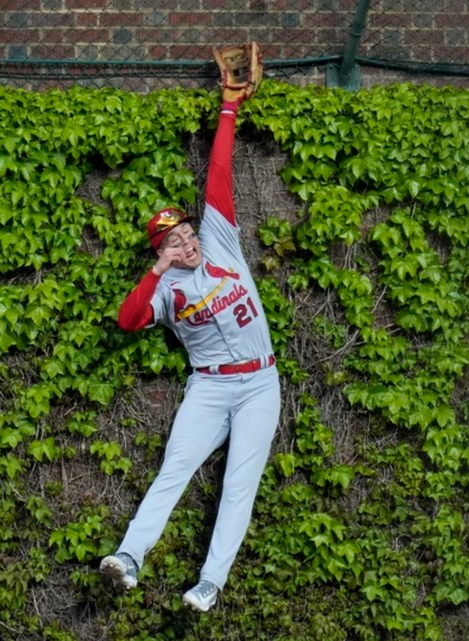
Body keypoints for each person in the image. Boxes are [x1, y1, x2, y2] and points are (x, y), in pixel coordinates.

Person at [99, 45, 279, 614]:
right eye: (173, 239)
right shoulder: (166, 289)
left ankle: (210, 583)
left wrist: (228, 109)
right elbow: (128, 321)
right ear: (162, 250)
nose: (187, 240)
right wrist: (157, 270)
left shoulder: (221, 242)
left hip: (259, 385)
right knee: (173, 471)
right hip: (210, 386)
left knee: (237, 487)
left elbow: (219, 175)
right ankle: (128, 558)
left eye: (187, 232)